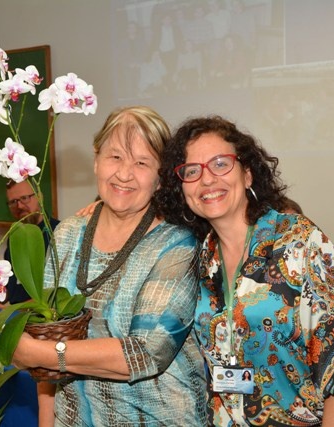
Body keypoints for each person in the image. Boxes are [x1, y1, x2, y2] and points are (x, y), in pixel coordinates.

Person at [156, 116, 334, 426]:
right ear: (181, 188)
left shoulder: (300, 242)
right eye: (191, 171)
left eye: (220, 164)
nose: (207, 180)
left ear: (247, 174)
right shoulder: (201, 257)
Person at [11, 106, 207, 426]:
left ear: (160, 177)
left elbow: (146, 352)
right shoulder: (68, 234)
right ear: (96, 159)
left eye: (142, 162)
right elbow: (46, 332)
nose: (124, 174)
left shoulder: (175, 245)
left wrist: (41, 355)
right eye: (115, 157)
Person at [3, 180, 60, 305]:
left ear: (39, 196)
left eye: (24, 198)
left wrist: (14, 310)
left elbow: (57, 293)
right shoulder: (14, 235)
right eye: (13, 202)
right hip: (15, 312)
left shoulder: (59, 233)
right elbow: (11, 287)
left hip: (43, 315)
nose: (20, 206)